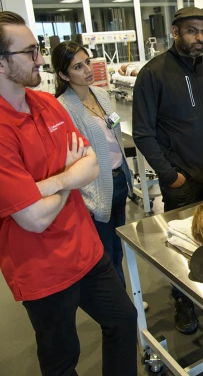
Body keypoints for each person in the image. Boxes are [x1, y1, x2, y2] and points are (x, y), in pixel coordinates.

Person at [0, 11, 137, 375]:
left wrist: (50, 183)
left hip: (86, 250)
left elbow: (92, 164)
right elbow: (34, 218)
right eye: (29, 52)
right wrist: (70, 175)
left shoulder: (47, 105)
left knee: (123, 320)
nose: (40, 58)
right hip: (41, 269)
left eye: (37, 48)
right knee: (61, 359)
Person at [132, 7, 203, 334]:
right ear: (174, 32)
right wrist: (169, 174)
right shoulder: (154, 74)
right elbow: (143, 133)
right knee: (182, 243)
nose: (200, 39)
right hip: (182, 182)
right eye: (192, 31)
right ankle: (183, 300)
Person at [52, 41, 133, 288]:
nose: (87, 69)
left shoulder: (100, 94)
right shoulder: (63, 108)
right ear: (64, 75)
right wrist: (87, 199)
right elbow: (72, 159)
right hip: (96, 189)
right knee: (104, 254)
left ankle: (123, 299)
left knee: (117, 247)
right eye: (78, 66)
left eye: (87, 61)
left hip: (119, 180)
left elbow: (114, 136)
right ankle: (118, 310)